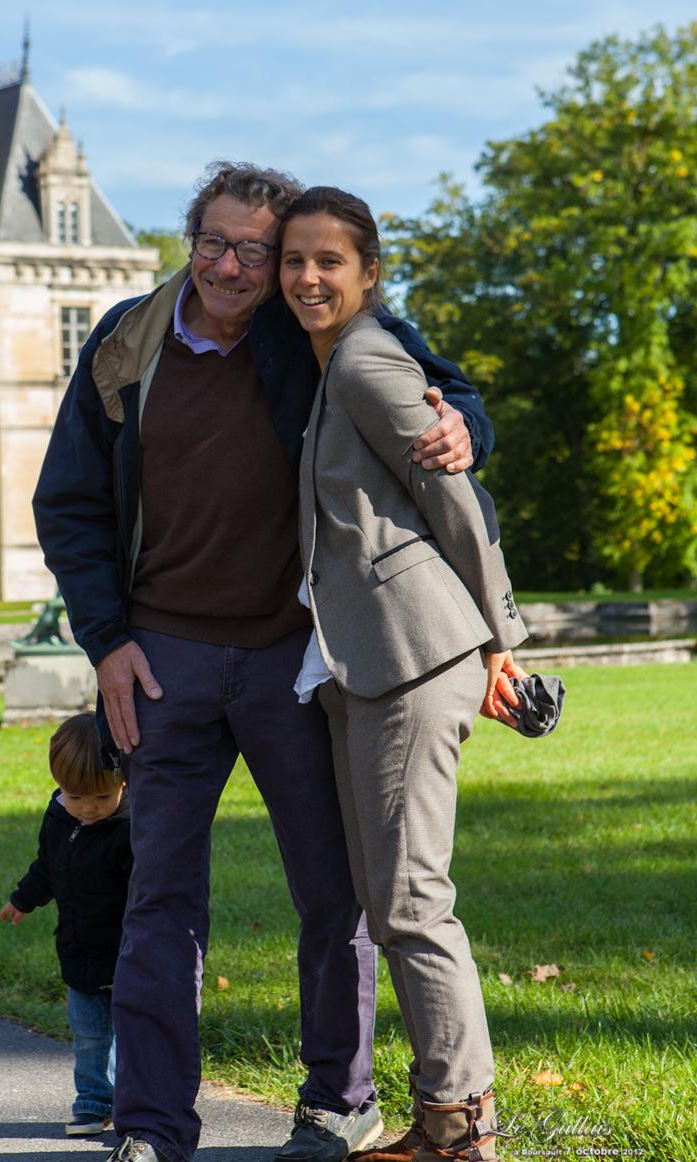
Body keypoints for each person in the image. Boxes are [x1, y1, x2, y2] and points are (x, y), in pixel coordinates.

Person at [32, 161, 495, 1162]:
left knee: (334, 893)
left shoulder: (314, 330)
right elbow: (67, 501)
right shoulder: (130, 339)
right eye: (215, 243)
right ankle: (152, 1125)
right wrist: (108, 640)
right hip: (163, 659)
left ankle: (339, 1100)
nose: (236, 267)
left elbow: (441, 395)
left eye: (258, 249)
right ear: (187, 239)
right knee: (159, 894)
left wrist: (466, 426)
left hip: (297, 659)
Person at [279, 187, 529, 1162]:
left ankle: (459, 1133)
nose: (306, 277)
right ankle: (442, 1124)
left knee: (412, 902)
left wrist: (502, 634)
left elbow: (452, 493)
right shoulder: (329, 363)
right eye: (294, 259)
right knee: (393, 900)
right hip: (368, 663)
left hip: (416, 659)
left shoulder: (368, 359)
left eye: (328, 260)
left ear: (367, 271)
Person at [0, 712, 132, 1137]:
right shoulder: (59, 817)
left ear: (123, 784)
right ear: (59, 785)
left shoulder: (129, 828)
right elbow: (49, 866)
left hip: (126, 953)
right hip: (78, 949)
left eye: (101, 798)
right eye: (76, 797)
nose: (88, 809)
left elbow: (146, 893)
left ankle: (133, 1101)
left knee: (130, 1034)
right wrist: (23, 898)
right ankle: (93, 1103)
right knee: (90, 1035)